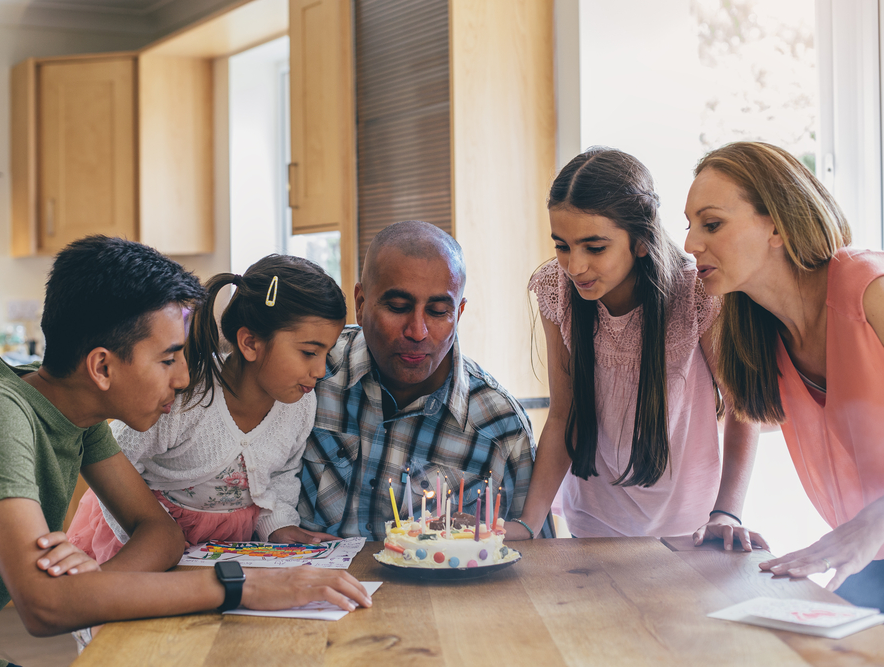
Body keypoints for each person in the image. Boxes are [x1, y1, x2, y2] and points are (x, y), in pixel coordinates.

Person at [0, 236, 370, 667]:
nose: (182, 379)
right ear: (102, 367)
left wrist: (90, 587)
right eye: (168, 359)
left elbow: (158, 530)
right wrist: (244, 584)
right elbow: (44, 606)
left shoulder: (76, 415)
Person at [504, 148, 765, 548]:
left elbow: (741, 408)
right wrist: (528, 522)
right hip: (591, 517)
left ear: (641, 241)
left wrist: (727, 511)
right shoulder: (556, 289)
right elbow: (562, 413)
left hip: (690, 521)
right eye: (562, 245)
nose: (574, 266)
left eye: (595, 247)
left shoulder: (695, 293)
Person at [684, 140, 884, 608]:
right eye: (690, 226)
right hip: (869, 562)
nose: (691, 244)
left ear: (776, 225)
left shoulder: (869, 290)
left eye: (711, 224)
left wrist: (872, 523)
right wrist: (726, 513)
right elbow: (747, 419)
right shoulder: (757, 336)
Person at [66, 254, 348, 563]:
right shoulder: (183, 395)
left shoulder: (300, 404)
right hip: (144, 537)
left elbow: (282, 472)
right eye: (309, 352)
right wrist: (145, 541)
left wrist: (278, 526)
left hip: (226, 548)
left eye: (326, 353)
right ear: (251, 343)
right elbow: (114, 458)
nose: (321, 370)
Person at [297, 220, 538, 540]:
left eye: (438, 312)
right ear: (360, 303)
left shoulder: (500, 427)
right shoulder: (310, 373)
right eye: (398, 307)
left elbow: (530, 560)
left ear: (459, 314)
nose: (417, 332)